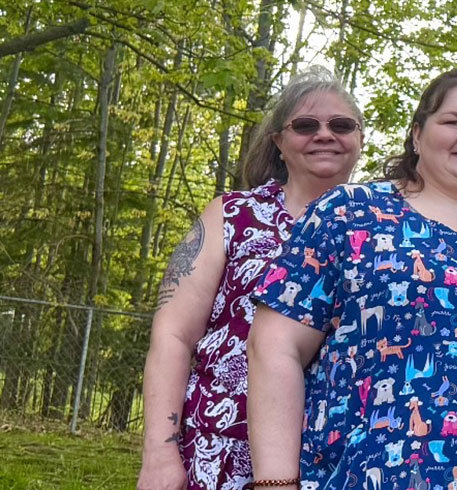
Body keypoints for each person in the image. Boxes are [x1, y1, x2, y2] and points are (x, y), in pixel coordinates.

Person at [246, 69, 457, 489]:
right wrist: (276, 483)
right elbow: (275, 346)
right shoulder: (348, 213)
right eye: (454, 121)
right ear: (417, 135)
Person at [137, 67, 363, 490]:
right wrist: (159, 453)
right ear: (278, 141)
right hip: (221, 447)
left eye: (341, 125)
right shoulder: (232, 216)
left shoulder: (384, 230)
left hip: (338, 458)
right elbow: (173, 334)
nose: (325, 135)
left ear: (360, 138)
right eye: (305, 125)